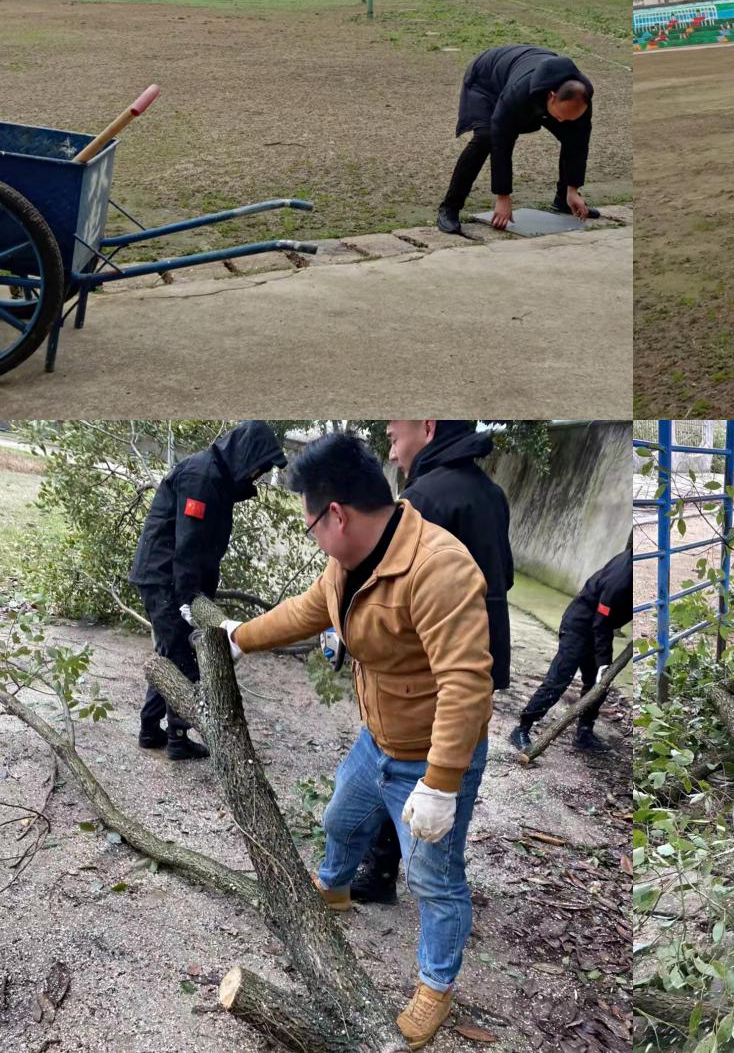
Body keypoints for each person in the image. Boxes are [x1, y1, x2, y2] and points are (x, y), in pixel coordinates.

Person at [224, 433, 493, 1049]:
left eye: (312, 524)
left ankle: (435, 988)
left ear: (337, 514)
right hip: (378, 739)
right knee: (341, 816)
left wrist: (441, 785)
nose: (314, 536)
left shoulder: (438, 568)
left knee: (435, 878)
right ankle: (336, 890)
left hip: (431, 757)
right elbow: (304, 611)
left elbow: (465, 683)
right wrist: (242, 638)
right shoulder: (346, 566)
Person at [346, 420, 513, 906]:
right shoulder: (492, 493)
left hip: (431, 664)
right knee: (458, 757)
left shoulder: (421, 499)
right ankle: (424, 862)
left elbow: (386, 587)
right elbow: (505, 576)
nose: (391, 447)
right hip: (484, 655)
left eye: (395, 434)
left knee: (402, 760)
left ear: (427, 424)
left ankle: (389, 871)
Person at [128, 421, 286, 760]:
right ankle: (178, 739)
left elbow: (206, 549)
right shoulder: (201, 478)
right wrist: (187, 597)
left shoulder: (218, 480)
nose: (258, 476)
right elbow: (188, 545)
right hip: (164, 577)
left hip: (173, 578)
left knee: (170, 653)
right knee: (184, 658)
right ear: (247, 457)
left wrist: (200, 594)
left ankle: (148, 728)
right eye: (260, 467)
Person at [437, 44, 597, 235]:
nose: (562, 121)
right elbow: (502, 143)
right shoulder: (517, 93)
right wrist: (503, 197)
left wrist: (573, 188)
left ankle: (563, 199)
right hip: (486, 80)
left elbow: (578, 143)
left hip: (522, 69)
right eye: (561, 115)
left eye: (571, 117)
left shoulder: (580, 97)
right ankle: (450, 207)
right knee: (486, 138)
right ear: (551, 97)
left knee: (571, 134)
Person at [508, 542, 632, 754]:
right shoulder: (621, 579)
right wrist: (604, 662)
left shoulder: (632, 559)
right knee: (560, 678)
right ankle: (522, 728)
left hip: (599, 627)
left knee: (598, 683)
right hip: (580, 625)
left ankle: (584, 732)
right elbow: (602, 621)